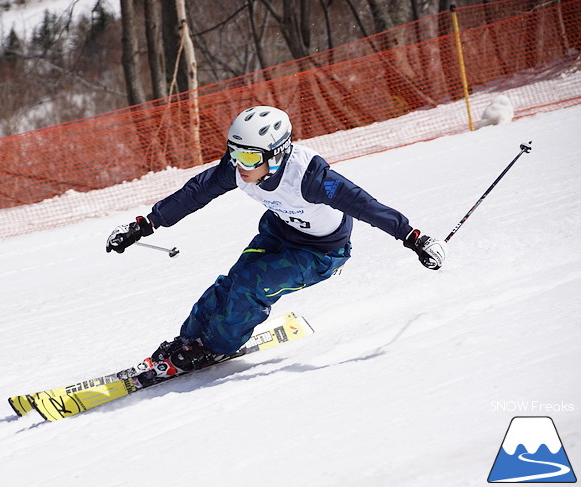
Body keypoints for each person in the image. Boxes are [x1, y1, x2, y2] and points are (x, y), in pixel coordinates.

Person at [106, 106, 446, 374]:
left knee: (252, 285)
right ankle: (191, 339)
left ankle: (216, 346)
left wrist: (414, 238)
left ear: (278, 153)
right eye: (234, 153)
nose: (239, 165)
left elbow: (365, 205)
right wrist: (145, 224)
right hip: (279, 231)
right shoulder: (238, 167)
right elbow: (195, 192)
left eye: (250, 158)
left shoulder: (312, 178)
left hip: (320, 252)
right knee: (232, 282)